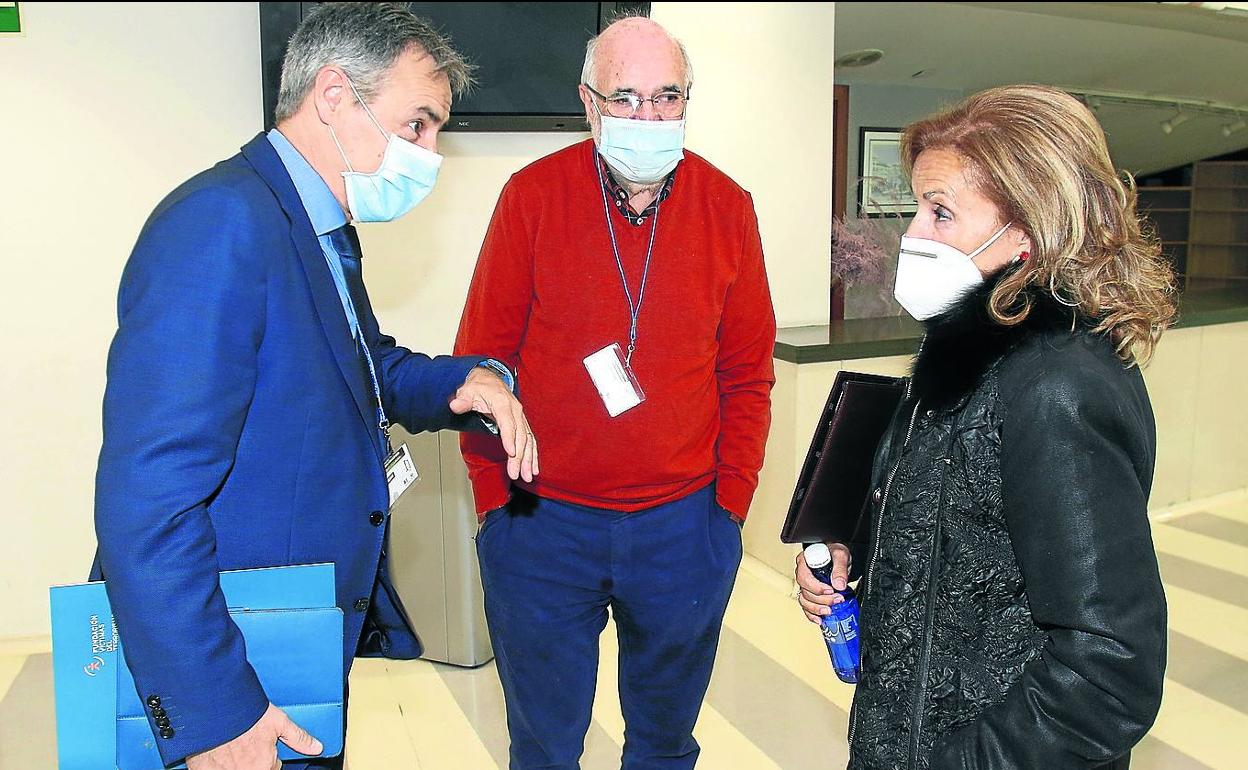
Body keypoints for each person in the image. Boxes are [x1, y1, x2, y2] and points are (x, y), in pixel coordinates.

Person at [92, 4, 537, 769]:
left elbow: (365, 366)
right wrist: (214, 713)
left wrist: (465, 382)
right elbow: (148, 501)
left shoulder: (316, 225)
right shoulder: (222, 223)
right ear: (334, 95)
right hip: (232, 668)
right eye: (418, 125)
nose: (429, 155)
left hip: (294, 634)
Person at [796, 84, 1173, 770]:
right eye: (917, 209)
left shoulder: (1058, 388)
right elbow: (962, 536)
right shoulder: (960, 362)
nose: (911, 234)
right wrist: (857, 552)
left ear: (1028, 233)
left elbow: (1109, 671)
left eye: (940, 213)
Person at [454, 15, 776, 770]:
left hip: (682, 528)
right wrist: (493, 505)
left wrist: (729, 506)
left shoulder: (727, 207)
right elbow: (482, 363)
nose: (648, 118)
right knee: (543, 744)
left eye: (667, 97)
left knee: (666, 744)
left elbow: (746, 373)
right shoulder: (531, 197)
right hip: (542, 524)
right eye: (625, 98)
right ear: (589, 103)